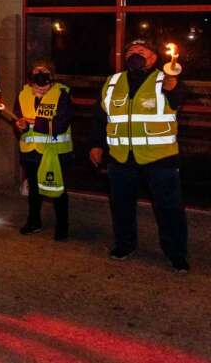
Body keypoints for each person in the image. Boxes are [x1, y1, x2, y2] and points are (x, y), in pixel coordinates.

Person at [89, 39, 189, 272]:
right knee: (121, 206)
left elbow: (179, 98)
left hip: (159, 158)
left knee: (169, 209)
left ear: (154, 57)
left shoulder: (164, 80)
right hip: (121, 157)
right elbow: (100, 117)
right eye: (131, 51)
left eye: (142, 50)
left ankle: (176, 254)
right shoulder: (112, 82)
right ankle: (124, 245)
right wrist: (96, 145)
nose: (135, 53)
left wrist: (172, 82)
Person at [12, 59, 73, 240]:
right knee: (34, 190)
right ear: (31, 74)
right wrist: (20, 125)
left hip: (55, 152)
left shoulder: (62, 93)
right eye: (36, 70)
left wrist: (32, 122)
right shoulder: (23, 94)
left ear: (51, 74)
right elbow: (18, 121)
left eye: (44, 70)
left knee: (58, 190)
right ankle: (34, 222)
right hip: (30, 151)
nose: (40, 73)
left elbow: (61, 124)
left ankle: (62, 227)